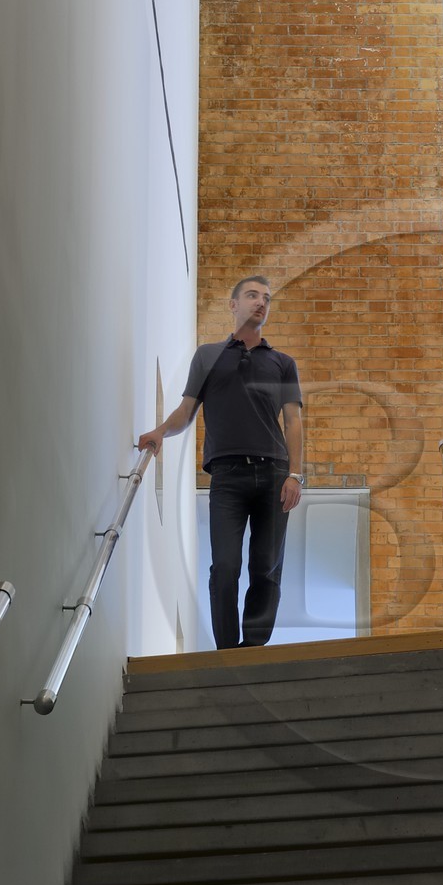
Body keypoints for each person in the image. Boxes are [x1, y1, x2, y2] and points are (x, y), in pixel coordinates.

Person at [138, 275, 304, 649]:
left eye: (266, 298)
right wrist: (160, 432)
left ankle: (253, 651)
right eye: (251, 295)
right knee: (225, 568)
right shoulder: (208, 356)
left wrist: (296, 474)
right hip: (227, 477)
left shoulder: (282, 363)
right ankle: (227, 652)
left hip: (275, 474)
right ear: (233, 305)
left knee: (266, 568)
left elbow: (292, 421)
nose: (260, 302)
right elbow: (186, 411)